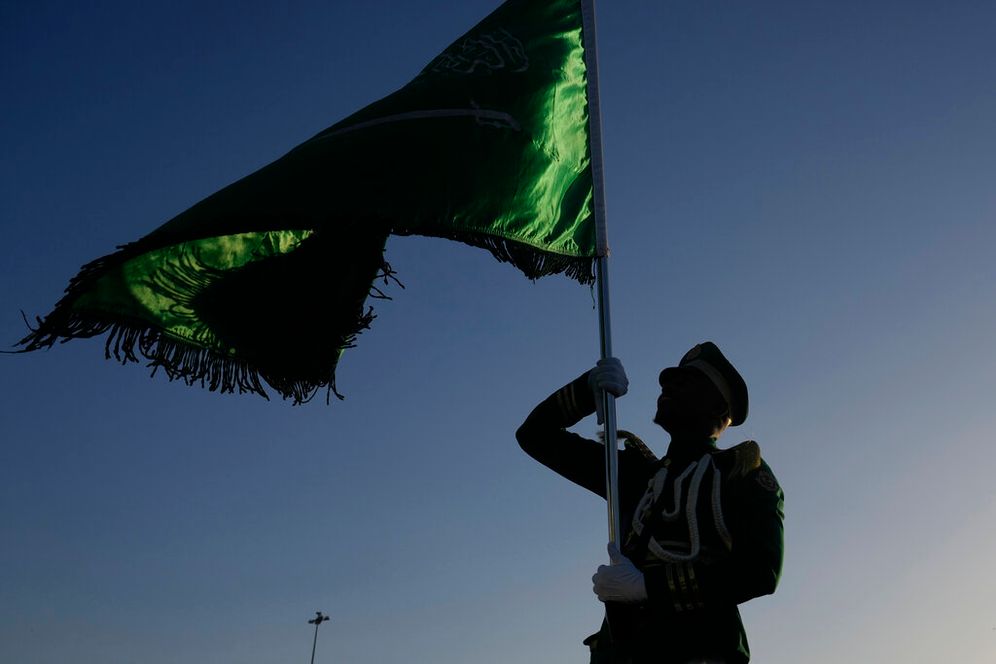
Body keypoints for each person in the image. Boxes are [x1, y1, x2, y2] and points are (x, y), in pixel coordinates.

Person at [516, 342, 784, 664]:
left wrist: (649, 587)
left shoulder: (739, 469)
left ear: (717, 408)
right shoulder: (635, 475)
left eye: (684, 382)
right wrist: (587, 391)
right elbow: (535, 435)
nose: (666, 385)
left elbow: (760, 570)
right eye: (668, 381)